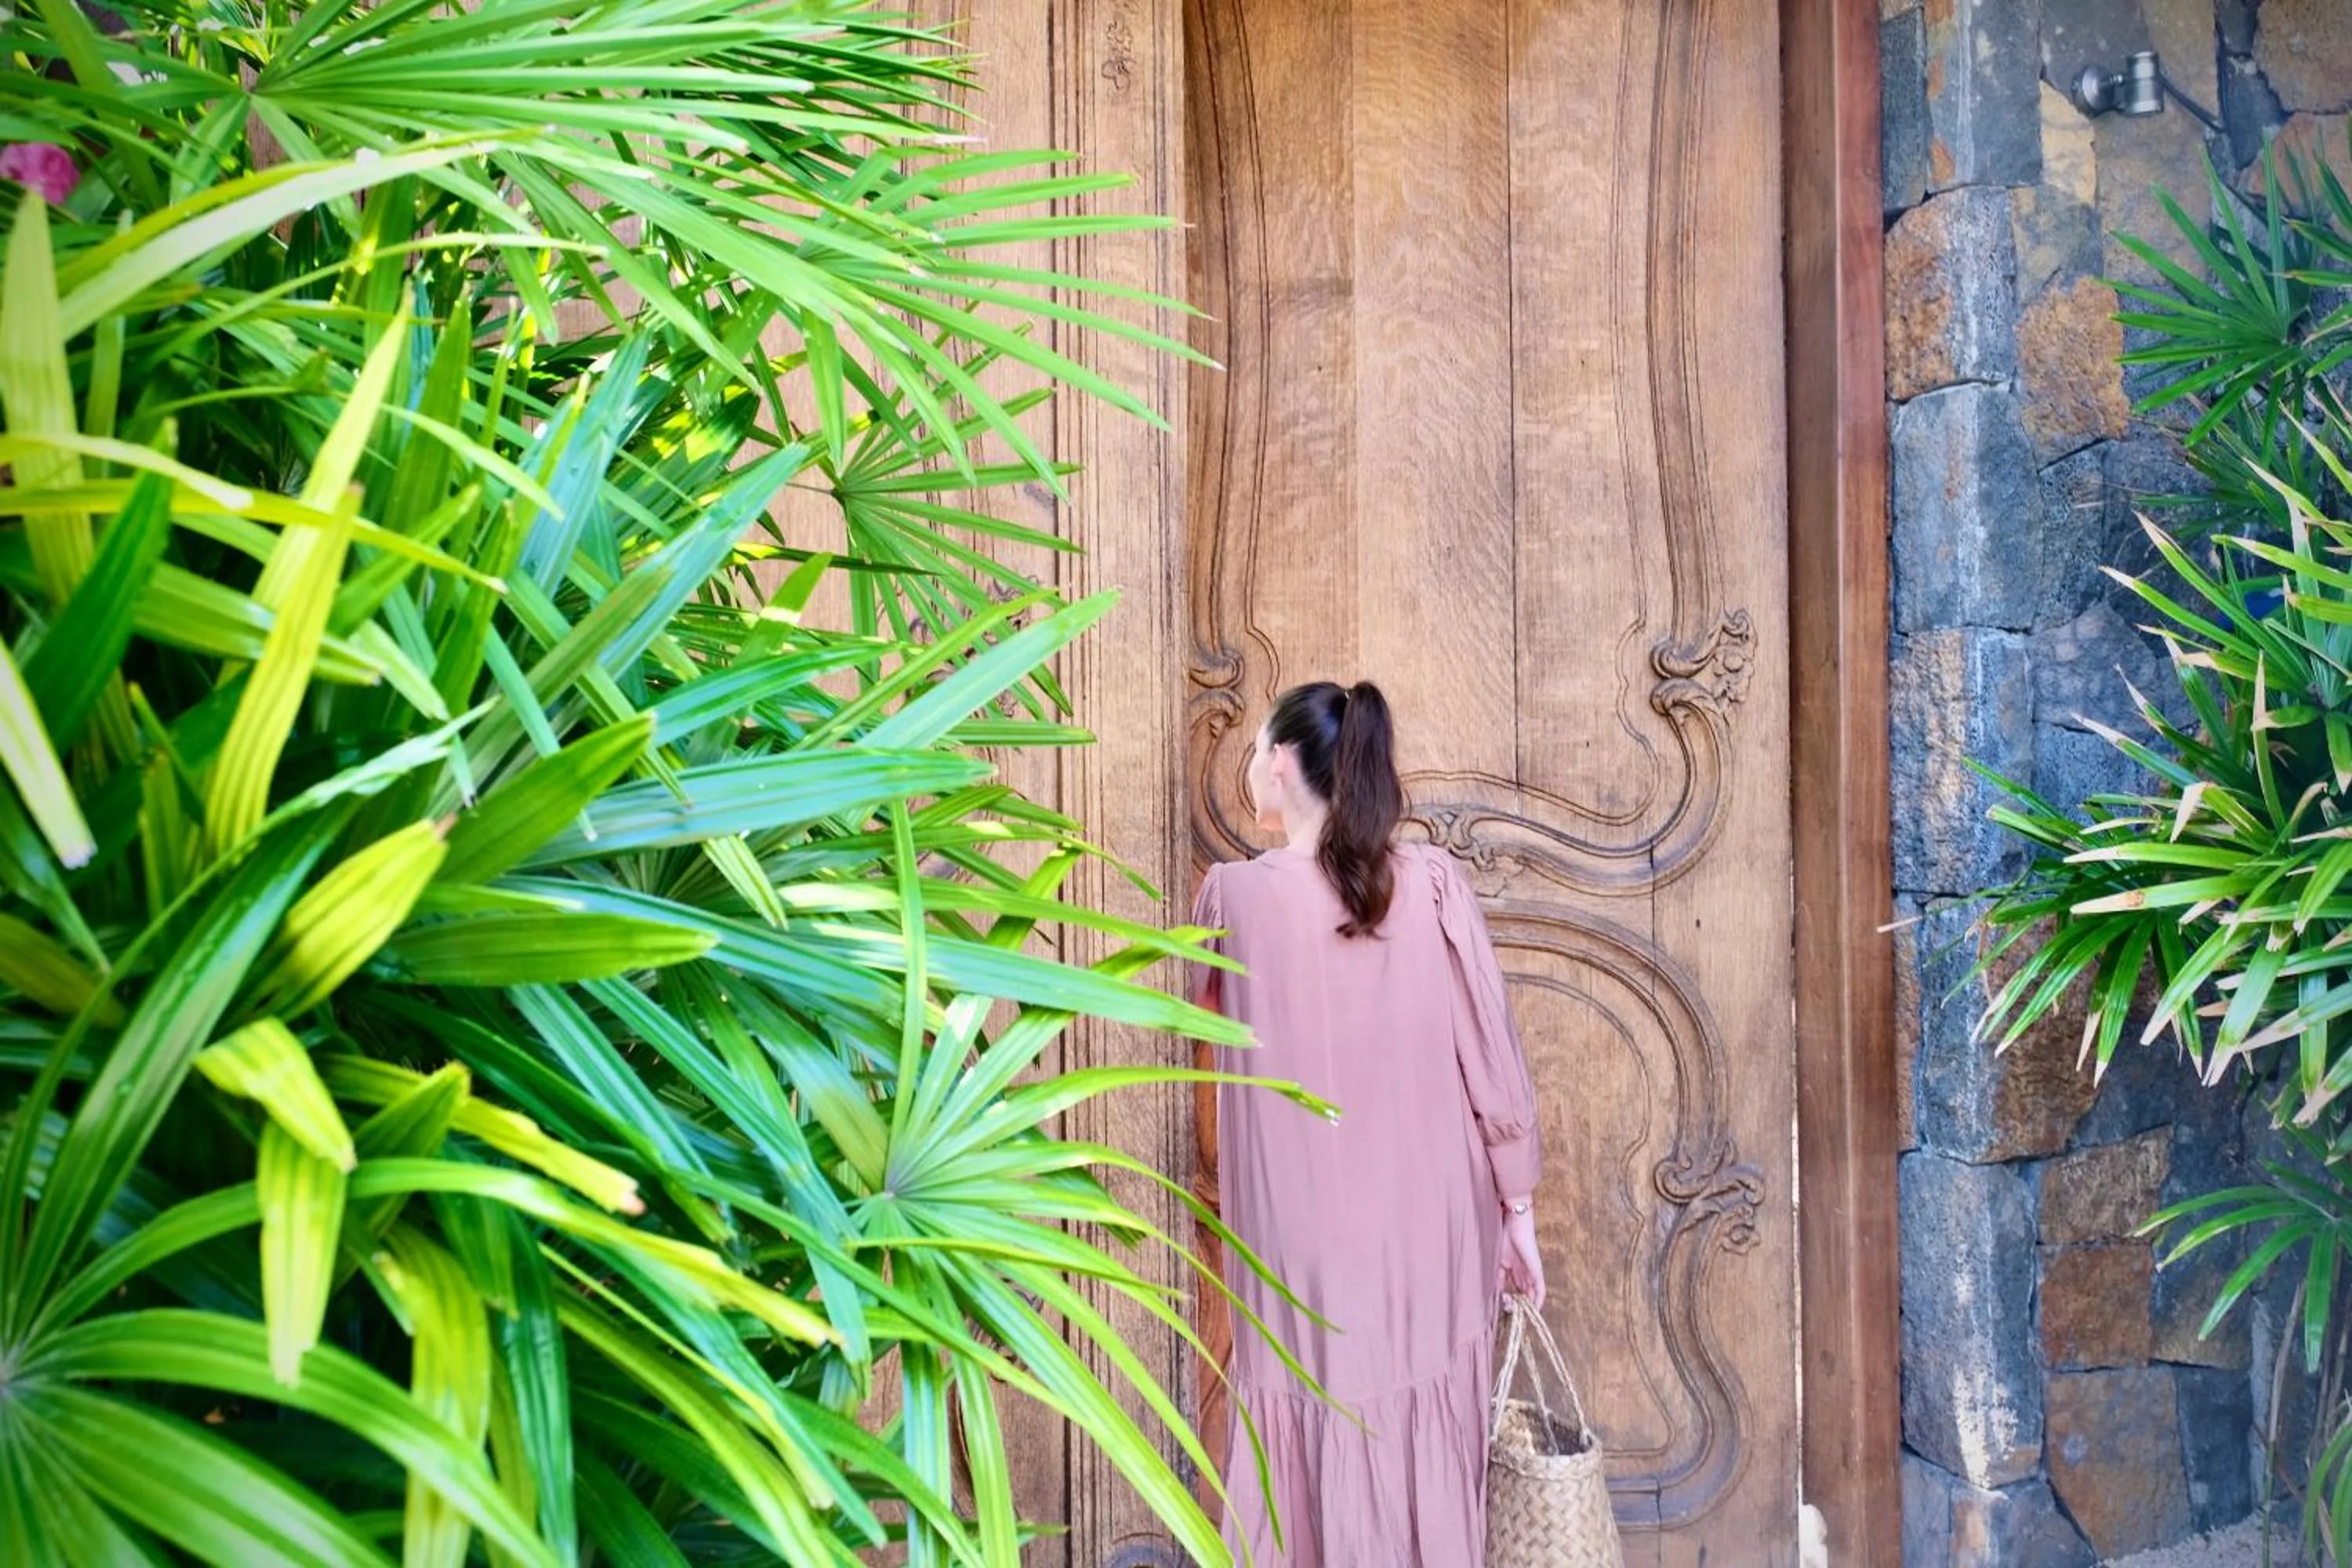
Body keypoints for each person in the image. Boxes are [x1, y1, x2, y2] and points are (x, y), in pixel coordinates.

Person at [1190, 680, 1547, 1568]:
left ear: (1281, 762)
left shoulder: (1232, 900)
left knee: (1305, 1435)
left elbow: (1193, 1043)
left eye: (1256, 750)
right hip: (1431, 1234)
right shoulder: (1428, 883)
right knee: (1422, 1434)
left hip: (1296, 1242)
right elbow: (1489, 1051)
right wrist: (1519, 1210)